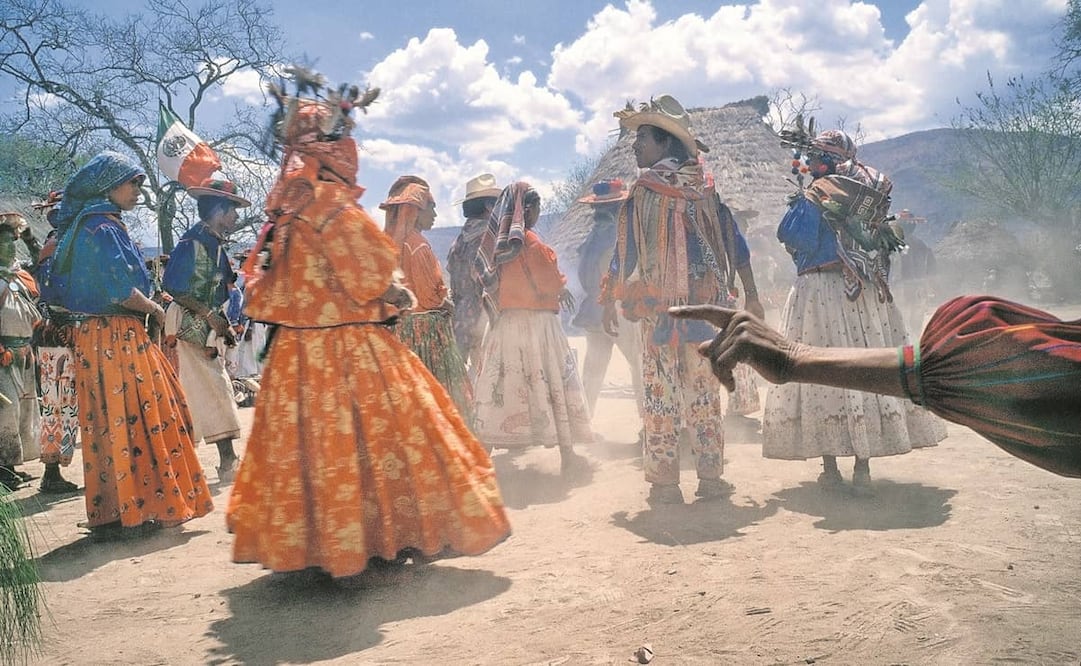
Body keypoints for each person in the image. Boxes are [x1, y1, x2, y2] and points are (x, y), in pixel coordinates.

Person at [227, 74, 510, 581]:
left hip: (295, 354)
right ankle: (385, 538)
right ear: (330, 146)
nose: (350, 149)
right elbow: (372, 277)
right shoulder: (332, 206)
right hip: (349, 348)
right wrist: (398, 293)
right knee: (403, 437)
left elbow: (265, 285)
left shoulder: (285, 211)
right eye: (342, 137)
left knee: (310, 448)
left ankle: (319, 548)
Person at [670, 295, 1081, 478]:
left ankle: (835, 463)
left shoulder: (817, 201)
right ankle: (856, 461)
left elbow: (1046, 372)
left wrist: (796, 357)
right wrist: (794, 358)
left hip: (827, 304)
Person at [600, 94, 763, 505]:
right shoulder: (705, 190)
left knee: (661, 396)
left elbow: (626, 252)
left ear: (664, 143)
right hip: (705, 313)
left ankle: (666, 484)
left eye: (642, 139)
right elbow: (734, 244)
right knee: (704, 395)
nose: (635, 146)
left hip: (660, 315)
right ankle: (709, 478)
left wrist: (611, 299)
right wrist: (752, 294)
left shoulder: (644, 191)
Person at [40, 151, 212, 537]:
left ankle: (119, 511)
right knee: (149, 413)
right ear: (107, 186)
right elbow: (119, 289)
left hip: (92, 337)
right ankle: (149, 505)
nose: (138, 190)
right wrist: (152, 308)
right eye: (132, 183)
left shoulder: (81, 228)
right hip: (117, 333)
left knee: (109, 420)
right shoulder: (103, 228)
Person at [767, 129, 944, 494]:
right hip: (862, 296)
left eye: (816, 159)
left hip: (819, 294)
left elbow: (793, 234)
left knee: (817, 369)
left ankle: (830, 469)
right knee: (861, 367)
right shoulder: (870, 195)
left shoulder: (818, 193)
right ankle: (862, 466)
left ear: (825, 161)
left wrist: (800, 202)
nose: (812, 165)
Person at [472, 181, 592, 473]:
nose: (539, 213)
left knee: (500, 386)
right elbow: (550, 281)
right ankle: (567, 456)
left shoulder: (497, 247)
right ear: (527, 210)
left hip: (507, 325)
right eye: (537, 208)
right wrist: (561, 288)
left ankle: (479, 456)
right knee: (554, 384)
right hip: (539, 326)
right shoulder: (535, 245)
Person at [161, 178, 248, 483]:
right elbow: (172, 286)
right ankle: (227, 461)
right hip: (189, 323)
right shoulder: (192, 243)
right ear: (218, 210)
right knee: (213, 387)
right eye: (233, 209)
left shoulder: (211, 242)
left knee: (207, 388)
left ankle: (205, 461)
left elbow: (223, 286)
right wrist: (211, 317)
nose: (236, 216)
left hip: (204, 323)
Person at [380, 176, 473, 423]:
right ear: (416, 211)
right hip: (428, 332)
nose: (435, 214)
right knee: (443, 395)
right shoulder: (418, 245)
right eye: (430, 207)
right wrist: (447, 305)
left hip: (399, 333)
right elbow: (430, 295)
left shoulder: (387, 245)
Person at [572, 179, 644, 422]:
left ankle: (583, 423)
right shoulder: (620, 237)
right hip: (617, 308)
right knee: (639, 365)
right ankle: (649, 425)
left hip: (593, 308)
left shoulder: (590, 240)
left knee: (593, 369)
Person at [29, 193, 80, 494]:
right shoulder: (55, 247)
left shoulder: (63, 244)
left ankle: (55, 471)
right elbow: (53, 294)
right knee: (58, 404)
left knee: (66, 404)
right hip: (60, 333)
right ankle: (51, 472)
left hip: (66, 331)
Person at [0, 212, 42, 492]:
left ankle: (13, 466)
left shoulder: (19, 273)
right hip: (3, 353)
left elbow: (41, 260)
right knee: (6, 411)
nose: (10, 246)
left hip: (24, 353)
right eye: (5, 241)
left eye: (12, 241)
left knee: (24, 411)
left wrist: (28, 237)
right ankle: (2, 470)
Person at [446, 173, 500, 374]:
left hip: (461, 314)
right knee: (488, 374)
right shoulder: (488, 238)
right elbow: (487, 280)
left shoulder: (459, 241)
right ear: (489, 207)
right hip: (484, 315)